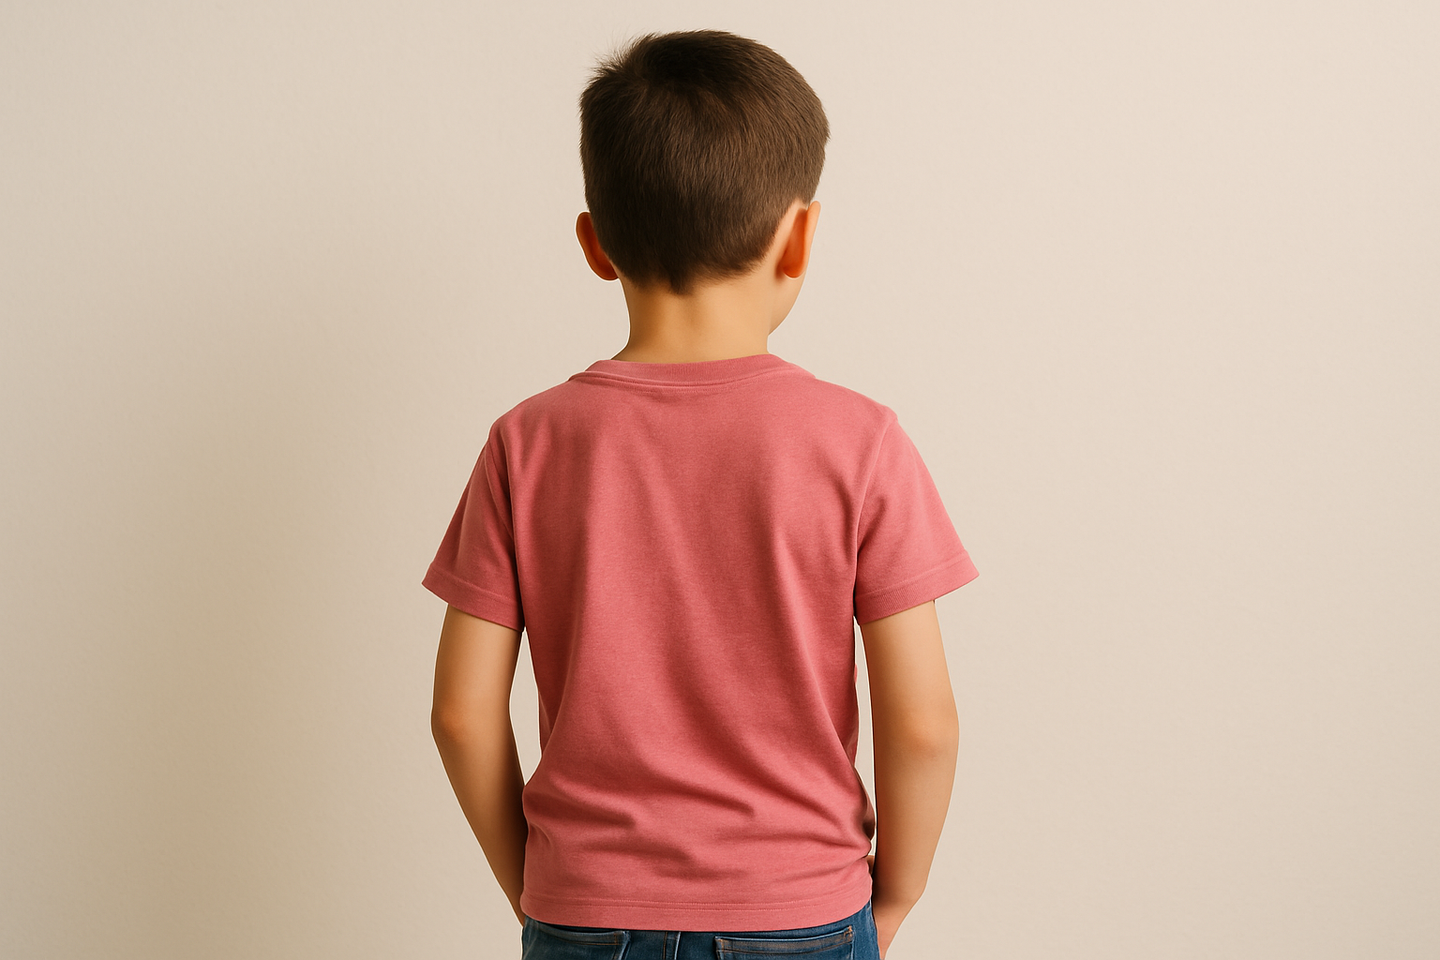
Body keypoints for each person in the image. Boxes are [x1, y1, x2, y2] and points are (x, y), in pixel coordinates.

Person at [425, 29, 978, 960]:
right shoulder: (860, 441)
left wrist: (540, 888)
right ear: (801, 236)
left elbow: (459, 712)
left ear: (595, 245)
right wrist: (897, 895)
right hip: (800, 910)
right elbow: (922, 722)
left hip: (586, 909)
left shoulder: (527, 442)